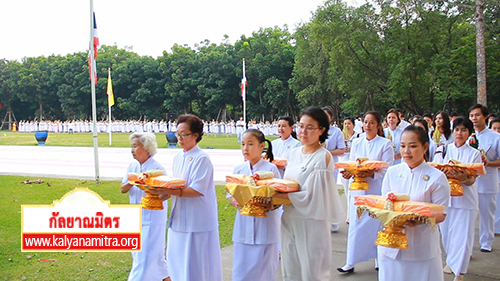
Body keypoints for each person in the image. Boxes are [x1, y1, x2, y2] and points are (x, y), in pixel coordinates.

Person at [273, 106, 344, 281]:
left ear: (322, 130)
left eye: (310, 127)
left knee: (312, 272)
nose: (303, 131)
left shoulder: (322, 157)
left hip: (311, 223)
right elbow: (290, 184)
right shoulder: (295, 153)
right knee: (291, 271)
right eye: (301, 126)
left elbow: (312, 197)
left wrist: (275, 197)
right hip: (289, 219)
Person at [150, 114, 222, 280]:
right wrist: (161, 193)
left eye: (184, 134)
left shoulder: (202, 158)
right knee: (177, 264)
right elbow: (176, 184)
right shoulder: (178, 157)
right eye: (178, 134)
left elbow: (196, 190)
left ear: (195, 136)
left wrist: (169, 190)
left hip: (198, 221)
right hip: (180, 219)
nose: (179, 138)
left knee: (197, 267)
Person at [378, 125, 450, 281]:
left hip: (420, 246)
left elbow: (441, 214)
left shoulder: (436, 177)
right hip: (391, 244)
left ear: (425, 147)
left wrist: (419, 220)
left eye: (412, 146)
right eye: (403, 146)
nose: (406, 151)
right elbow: (384, 203)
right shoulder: (392, 172)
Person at [338, 111, 394, 274]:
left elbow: (387, 168)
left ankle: (378, 257)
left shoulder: (385, 144)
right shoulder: (357, 142)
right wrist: (350, 172)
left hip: (376, 188)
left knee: (376, 223)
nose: (368, 126)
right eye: (366, 122)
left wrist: (371, 173)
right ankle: (350, 261)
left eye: (372, 123)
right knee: (356, 223)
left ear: (378, 125)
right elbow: (354, 163)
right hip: (358, 189)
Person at [230, 129, 281, 281]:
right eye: (243, 144)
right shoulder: (239, 170)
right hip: (243, 228)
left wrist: (270, 205)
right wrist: (237, 201)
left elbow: (279, 195)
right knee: (241, 270)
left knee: (265, 271)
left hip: (265, 227)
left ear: (261, 146)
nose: (245, 148)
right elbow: (230, 193)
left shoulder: (271, 170)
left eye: (250, 144)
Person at [434, 118, 481, 281]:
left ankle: (459, 272)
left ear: (469, 133)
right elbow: (436, 172)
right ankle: (451, 262)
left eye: (463, 130)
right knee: (447, 236)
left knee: (462, 237)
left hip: (466, 201)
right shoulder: (443, 150)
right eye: (457, 130)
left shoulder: (474, 153)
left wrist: (462, 178)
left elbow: (472, 179)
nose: (459, 133)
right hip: (446, 200)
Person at [120, 133, 170, 281]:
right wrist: (134, 181)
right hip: (135, 216)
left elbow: (166, 194)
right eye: (131, 146)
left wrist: (153, 190)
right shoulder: (132, 166)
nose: (132, 150)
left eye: (135, 146)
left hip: (152, 218)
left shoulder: (157, 169)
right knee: (151, 258)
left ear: (147, 148)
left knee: (144, 257)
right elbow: (123, 188)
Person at [469, 104, 500, 252]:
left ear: (486, 117)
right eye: (472, 116)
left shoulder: (495, 137)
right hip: (470, 182)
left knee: (487, 214)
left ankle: (486, 242)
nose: (474, 118)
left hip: (488, 181)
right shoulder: (469, 136)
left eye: (477, 115)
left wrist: (489, 163)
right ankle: (468, 243)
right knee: (469, 214)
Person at [322, 107, 346, 232]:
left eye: (327, 116)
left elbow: (341, 149)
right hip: (316, 165)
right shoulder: (316, 129)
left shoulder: (336, 132)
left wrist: (327, 152)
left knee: (330, 193)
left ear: (331, 117)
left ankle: (333, 222)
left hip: (331, 164)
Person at [340, 117, 361, 219]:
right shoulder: (341, 136)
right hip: (343, 163)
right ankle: (348, 213)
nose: (347, 126)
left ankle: (351, 214)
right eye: (345, 124)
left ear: (353, 125)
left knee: (351, 189)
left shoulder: (358, 136)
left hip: (353, 165)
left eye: (349, 123)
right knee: (346, 190)